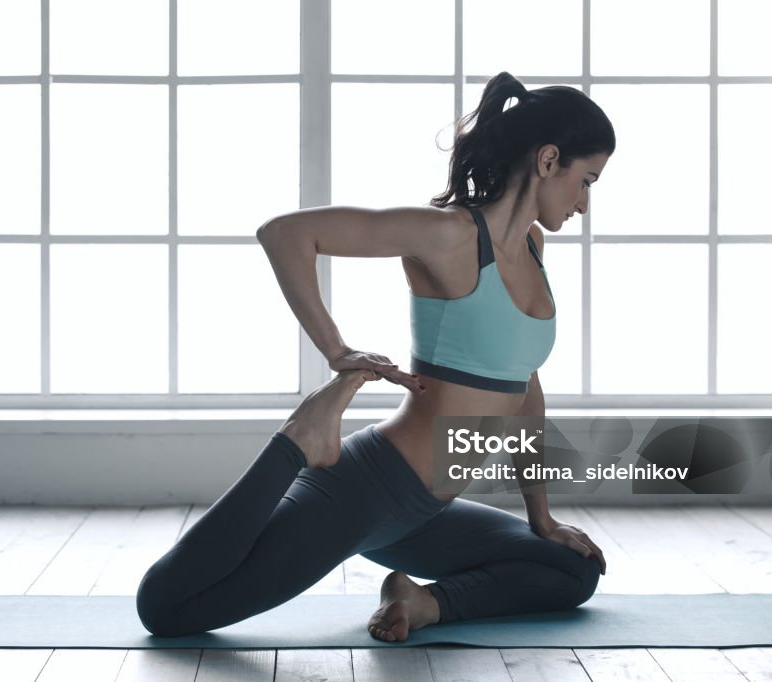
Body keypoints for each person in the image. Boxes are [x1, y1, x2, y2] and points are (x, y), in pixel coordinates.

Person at [136, 71, 615, 642]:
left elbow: (524, 392)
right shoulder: (448, 236)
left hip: (423, 514)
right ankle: (299, 440)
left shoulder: (532, 248)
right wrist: (337, 351)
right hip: (368, 490)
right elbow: (286, 234)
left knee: (572, 569)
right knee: (168, 609)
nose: (585, 203)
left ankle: (422, 602)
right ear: (547, 161)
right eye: (585, 181)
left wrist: (541, 517)